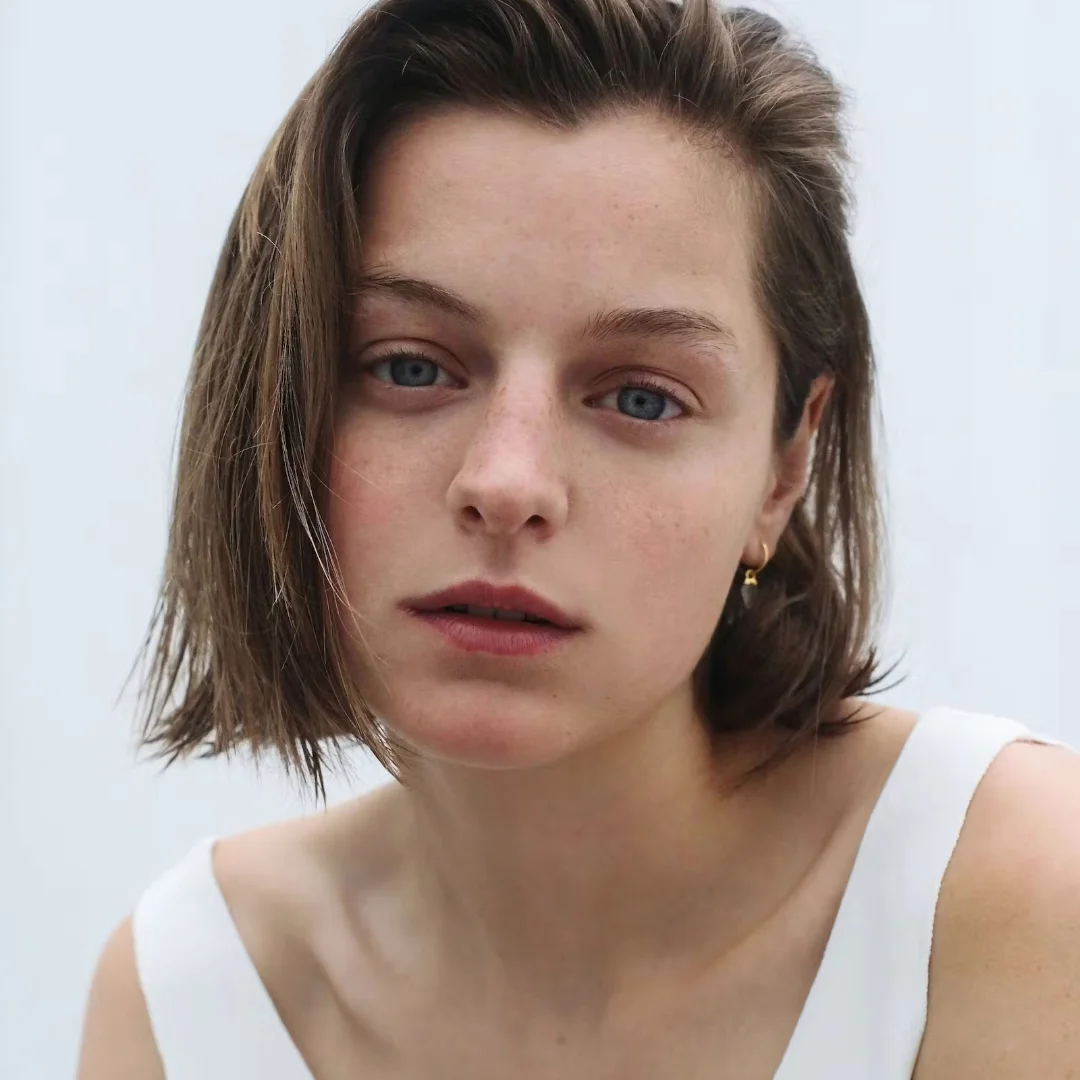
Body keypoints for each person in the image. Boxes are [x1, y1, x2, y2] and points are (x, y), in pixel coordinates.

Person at [75, 0, 1080, 1076]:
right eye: (411, 366)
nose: (505, 484)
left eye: (642, 399)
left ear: (786, 468)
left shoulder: (1011, 895)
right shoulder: (187, 1000)